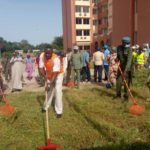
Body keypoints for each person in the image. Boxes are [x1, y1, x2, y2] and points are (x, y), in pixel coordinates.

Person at [39, 47, 63, 118]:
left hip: (58, 75)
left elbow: (55, 73)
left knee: (57, 91)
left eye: (49, 53)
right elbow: (40, 68)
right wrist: (45, 76)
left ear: (52, 53)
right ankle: (45, 107)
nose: (47, 55)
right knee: (49, 91)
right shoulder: (42, 56)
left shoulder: (56, 59)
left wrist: (49, 83)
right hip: (49, 74)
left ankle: (59, 111)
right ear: (44, 52)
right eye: (46, 53)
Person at [114, 36, 132, 101]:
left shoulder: (130, 49)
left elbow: (129, 61)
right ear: (122, 43)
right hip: (121, 67)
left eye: (128, 44)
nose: (126, 45)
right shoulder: (119, 48)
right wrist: (117, 59)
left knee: (126, 83)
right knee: (118, 81)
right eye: (125, 44)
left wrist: (126, 71)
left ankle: (126, 96)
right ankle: (118, 94)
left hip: (128, 68)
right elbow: (118, 56)